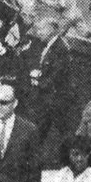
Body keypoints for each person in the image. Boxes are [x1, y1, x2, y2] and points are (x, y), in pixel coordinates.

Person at [31, 16, 73, 144]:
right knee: (43, 127)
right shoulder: (51, 44)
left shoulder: (61, 48)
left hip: (56, 96)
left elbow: (57, 74)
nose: (38, 33)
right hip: (49, 95)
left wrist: (38, 82)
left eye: (41, 29)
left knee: (61, 129)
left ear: (51, 30)